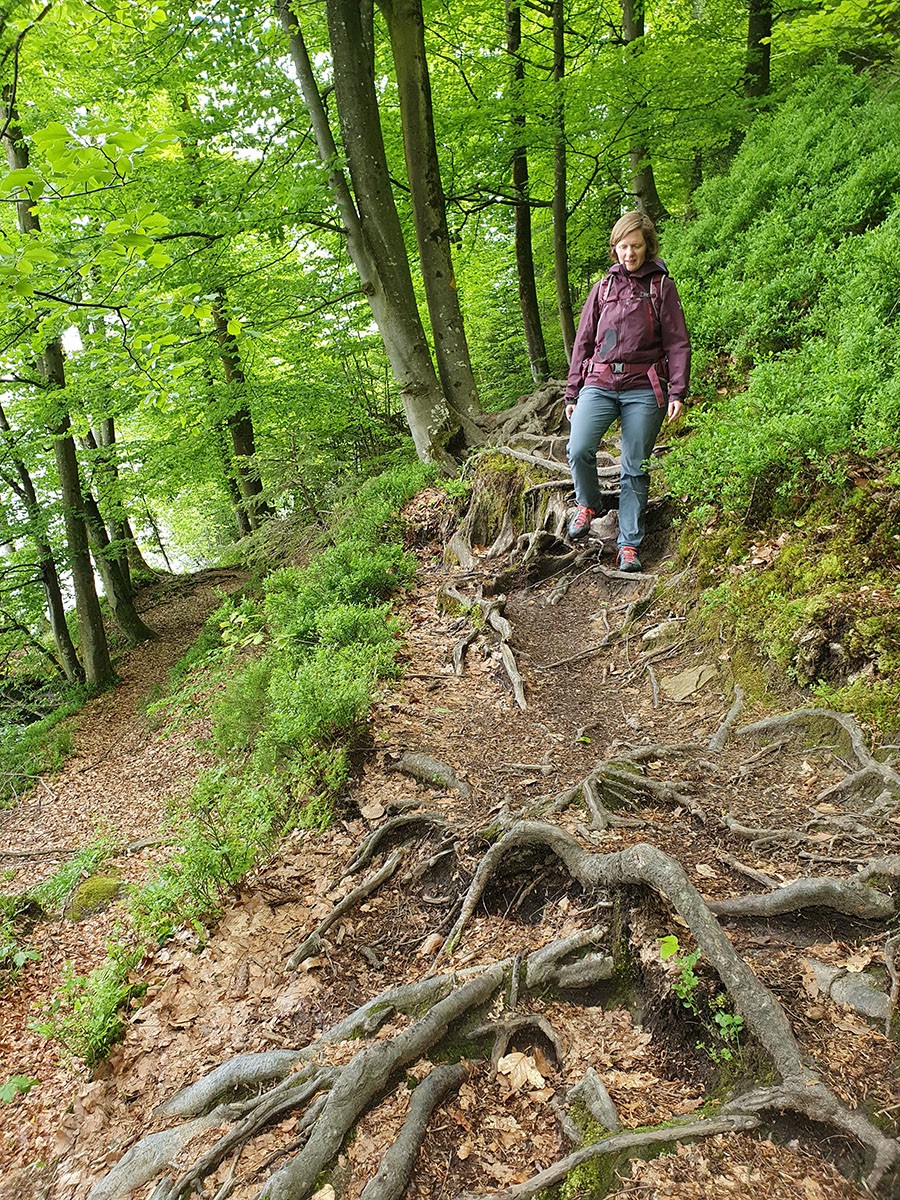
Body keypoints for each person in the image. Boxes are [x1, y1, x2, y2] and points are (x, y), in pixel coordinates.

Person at [564, 210, 690, 572]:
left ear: (647, 247)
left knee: (635, 466)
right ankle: (589, 504)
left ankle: (629, 545)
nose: (629, 254)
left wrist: (678, 391)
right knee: (578, 447)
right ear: (615, 248)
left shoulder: (661, 286)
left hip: (643, 388)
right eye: (623, 247)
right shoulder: (603, 288)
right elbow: (583, 342)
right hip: (599, 383)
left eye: (635, 246)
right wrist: (573, 393)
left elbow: (678, 343)